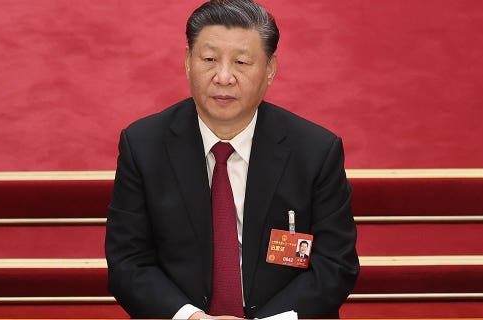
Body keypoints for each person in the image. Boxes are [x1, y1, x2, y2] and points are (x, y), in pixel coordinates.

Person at [105, 0, 359, 319]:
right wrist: (192, 318)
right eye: (209, 59)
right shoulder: (143, 145)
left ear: (270, 70)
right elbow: (128, 262)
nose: (223, 77)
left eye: (241, 62)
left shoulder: (315, 151)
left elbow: (335, 265)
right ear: (187, 62)